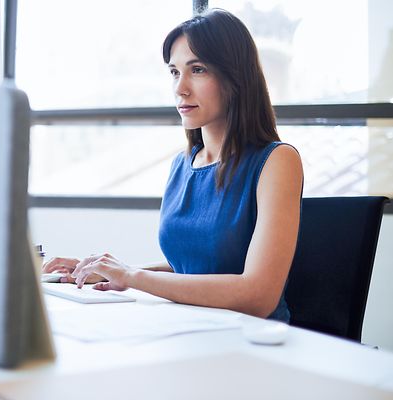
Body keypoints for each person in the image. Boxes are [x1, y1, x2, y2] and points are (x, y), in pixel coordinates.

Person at [41, 8, 303, 322]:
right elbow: (190, 271)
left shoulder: (277, 161)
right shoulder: (183, 164)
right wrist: (107, 272)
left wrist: (133, 276)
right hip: (187, 329)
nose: (180, 88)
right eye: (174, 72)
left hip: (252, 344)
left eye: (199, 69)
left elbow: (258, 296)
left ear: (235, 77)